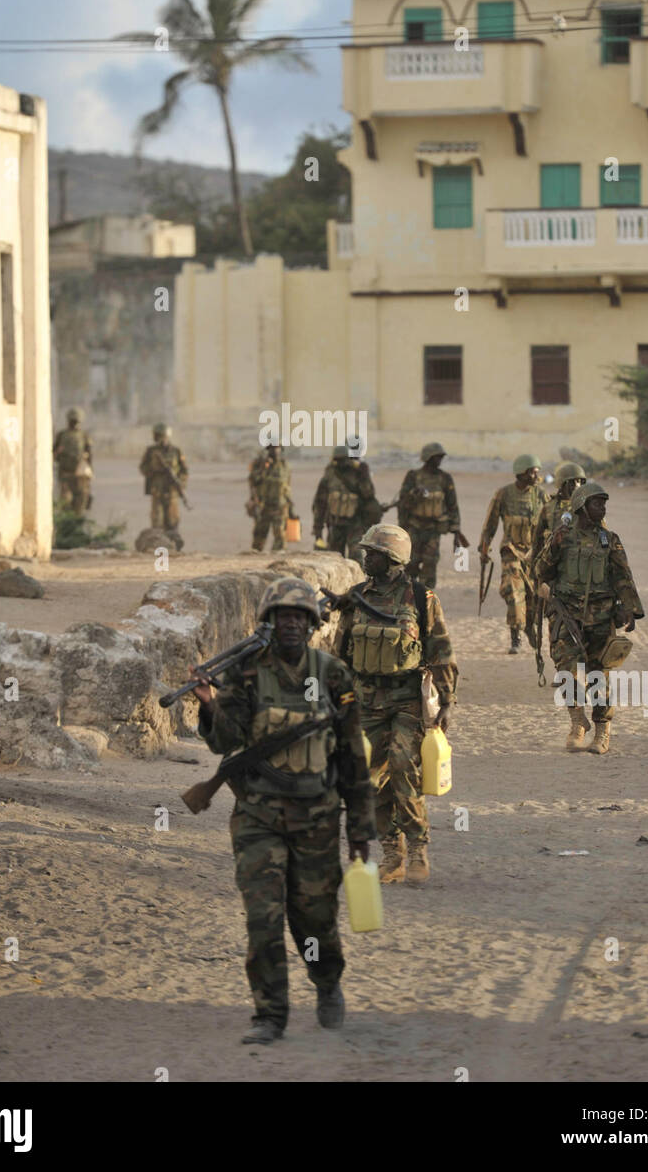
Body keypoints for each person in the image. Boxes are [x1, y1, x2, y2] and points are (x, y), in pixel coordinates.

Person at [191, 577, 375, 1045]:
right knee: (263, 917)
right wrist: (211, 706)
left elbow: (353, 757)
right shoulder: (246, 673)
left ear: (312, 625)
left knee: (313, 919)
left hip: (317, 818)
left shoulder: (333, 675)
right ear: (269, 622)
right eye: (282, 616)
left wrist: (359, 830)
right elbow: (226, 741)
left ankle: (326, 979)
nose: (291, 624)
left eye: (299, 617)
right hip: (258, 817)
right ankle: (269, 1014)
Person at [333, 524, 457, 885]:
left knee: (404, 767)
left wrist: (446, 702)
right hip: (365, 703)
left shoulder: (421, 598)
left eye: (371, 552)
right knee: (369, 781)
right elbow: (339, 656)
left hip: (407, 702)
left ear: (391, 559)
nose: (364, 557)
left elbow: (441, 651)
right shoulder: (355, 597)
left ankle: (418, 848)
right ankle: (392, 851)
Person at [533, 481, 645, 755]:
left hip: (600, 615)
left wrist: (628, 609)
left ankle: (602, 730)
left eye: (604, 503)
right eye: (597, 503)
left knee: (598, 674)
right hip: (566, 614)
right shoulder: (562, 537)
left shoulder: (610, 539)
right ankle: (576, 723)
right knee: (565, 671)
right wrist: (554, 546)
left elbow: (622, 577)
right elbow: (541, 571)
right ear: (582, 506)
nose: (603, 508)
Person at [479, 454, 546, 653]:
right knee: (513, 593)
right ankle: (515, 638)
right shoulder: (503, 494)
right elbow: (490, 524)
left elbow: (551, 523)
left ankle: (529, 627)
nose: (536, 475)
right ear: (522, 473)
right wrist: (484, 548)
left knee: (534, 597)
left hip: (535, 554)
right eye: (533, 471)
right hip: (511, 551)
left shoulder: (541, 495)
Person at [397, 442, 468, 588]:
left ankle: (426, 598)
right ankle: (408, 597)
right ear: (428, 458)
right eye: (436, 457)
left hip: (434, 529)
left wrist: (456, 531)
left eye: (440, 457)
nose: (439, 460)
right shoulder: (413, 476)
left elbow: (452, 505)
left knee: (430, 564)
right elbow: (403, 503)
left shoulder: (445, 479)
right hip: (414, 527)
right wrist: (414, 495)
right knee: (411, 563)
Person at [312, 446, 382, 563]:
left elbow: (369, 494)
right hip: (335, 524)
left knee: (356, 558)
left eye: (344, 459)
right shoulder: (330, 475)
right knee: (333, 559)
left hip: (355, 524)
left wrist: (364, 475)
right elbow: (320, 503)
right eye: (338, 460)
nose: (341, 463)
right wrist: (318, 530)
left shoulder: (358, 473)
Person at [139, 423, 188, 550]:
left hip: (172, 492)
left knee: (172, 522)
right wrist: (154, 470)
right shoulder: (151, 451)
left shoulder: (176, 451)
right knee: (157, 522)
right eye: (158, 436)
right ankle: (159, 550)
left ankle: (174, 549)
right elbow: (143, 468)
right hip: (157, 491)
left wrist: (180, 483)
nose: (160, 438)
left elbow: (184, 471)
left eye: (161, 436)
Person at [529, 461, 586, 568]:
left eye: (579, 481)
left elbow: (602, 535)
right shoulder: (549, 508)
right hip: (554, 562)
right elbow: (537, 539)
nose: (576, 486)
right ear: (561, 484)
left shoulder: (587, 507)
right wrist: (534, 566)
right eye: (571, 482)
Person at [247, 444, 297, 552]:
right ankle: (255, 562)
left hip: (280, 507)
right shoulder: (260, 464)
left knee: (280, 537)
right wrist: (263, 468)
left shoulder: (285, 466)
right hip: (263, 507)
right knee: (258, 538)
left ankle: (276, 562)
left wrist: (291, 508)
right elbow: (253, 481)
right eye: (272, 448)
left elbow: (287, 488)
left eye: (277, 448)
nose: (275, 451)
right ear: (268, 450)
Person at [52, 407, 92, 514]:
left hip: (79, 476)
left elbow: (89, 454)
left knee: (78, 505)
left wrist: (89, 472)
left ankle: (74, 527)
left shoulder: (83, 435)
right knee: (67, 505)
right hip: (67, 474)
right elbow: (54, 453)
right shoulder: (62, 435)